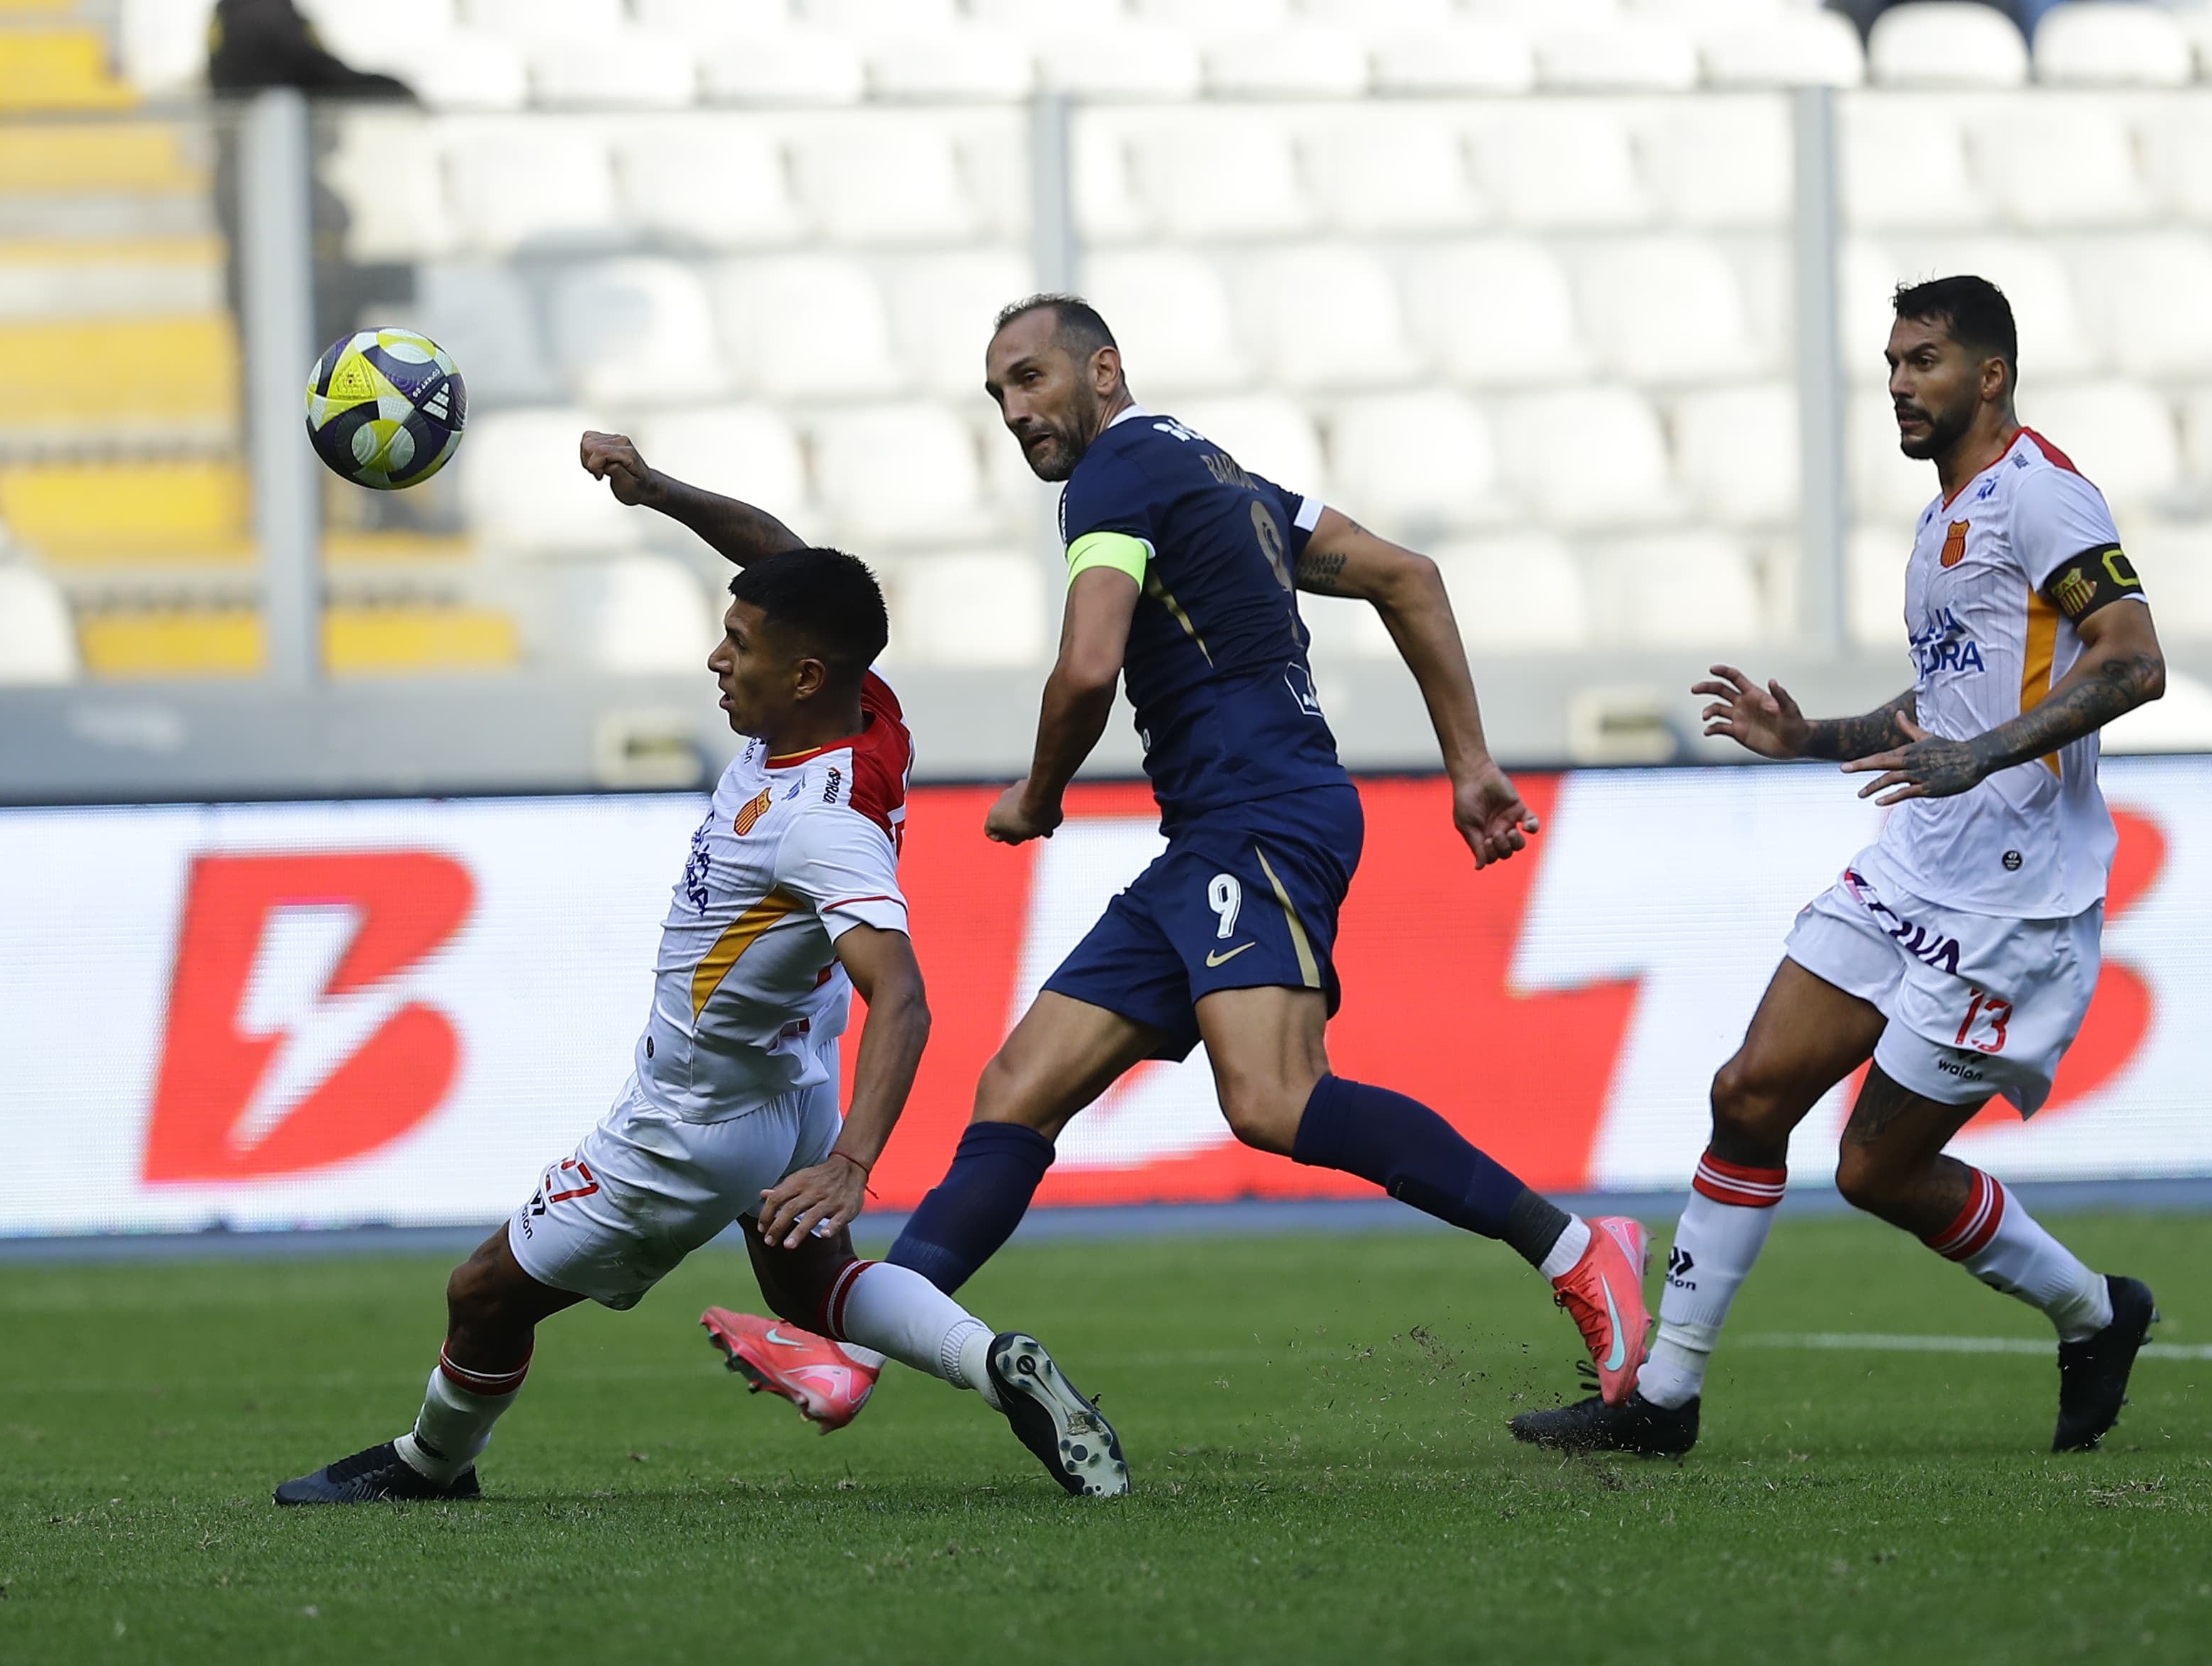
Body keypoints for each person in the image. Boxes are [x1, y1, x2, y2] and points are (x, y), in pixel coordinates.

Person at [696, 295, 1653, 1435]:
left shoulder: (1114, 480)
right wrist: (1471, 765)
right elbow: (1408, 575)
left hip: (1260, 818)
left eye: (1032, 378)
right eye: (998, 393)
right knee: (1019, 1089)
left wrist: (1039, 794)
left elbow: (1088, 665)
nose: (1015, 410)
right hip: (1212, 835)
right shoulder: (1225, 480)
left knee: (1272, 1098)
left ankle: (1577, 1247)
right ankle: (852, 1352)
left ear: (1104, 371)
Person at [274, 433, 1129, 1504]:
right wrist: (656, 491)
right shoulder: (867, 713)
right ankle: (995, 1364)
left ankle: (430, 1467)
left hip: (694, 1120)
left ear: (804, 675)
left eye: (739, 644)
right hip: (789, 1088)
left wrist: (855, 1164)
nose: (719, 660)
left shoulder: (820, 823)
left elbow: (904, 997)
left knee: (483, 1292)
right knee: (816, 1289)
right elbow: (782, 559)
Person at [1511, 276, 2164, 1460]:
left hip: (2013, 901)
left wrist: (1984, 756)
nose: (1901, 384)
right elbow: (1952, 697)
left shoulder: (2045, 496)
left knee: (1875, 1169)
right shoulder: (1943, 515)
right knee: (1749, 1093)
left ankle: (2093, 1311)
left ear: (1991, 376)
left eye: (1925, 362)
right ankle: (1662, 1398)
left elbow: (2132, 661)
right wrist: (1809, 736)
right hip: (1912, 867)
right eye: (1895, 363)